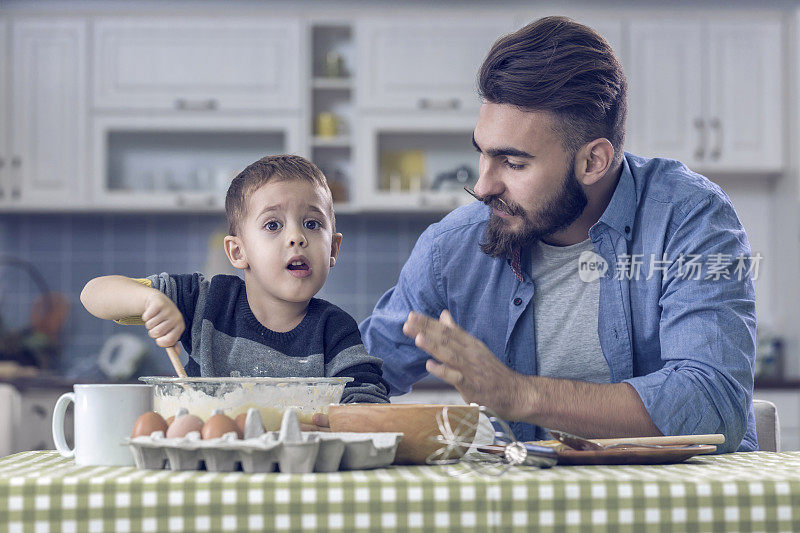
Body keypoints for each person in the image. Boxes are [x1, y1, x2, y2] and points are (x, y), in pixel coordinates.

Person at [359, 16, 757, 452]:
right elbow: (359, 376)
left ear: (593, 161)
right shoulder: (451, 248)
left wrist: (518, 394)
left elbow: (712, 403)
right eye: (483, 154)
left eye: (513, 163)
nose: (483, 186)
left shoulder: (689, 217)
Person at [81, 154, 389, 405]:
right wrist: (148, 300)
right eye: (272, 225)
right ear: (238, 251)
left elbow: (368, 405)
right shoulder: (205, 302)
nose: (297, 237)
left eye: (311, 223)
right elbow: (92, 294)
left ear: (333, 249)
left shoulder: (335, 330)